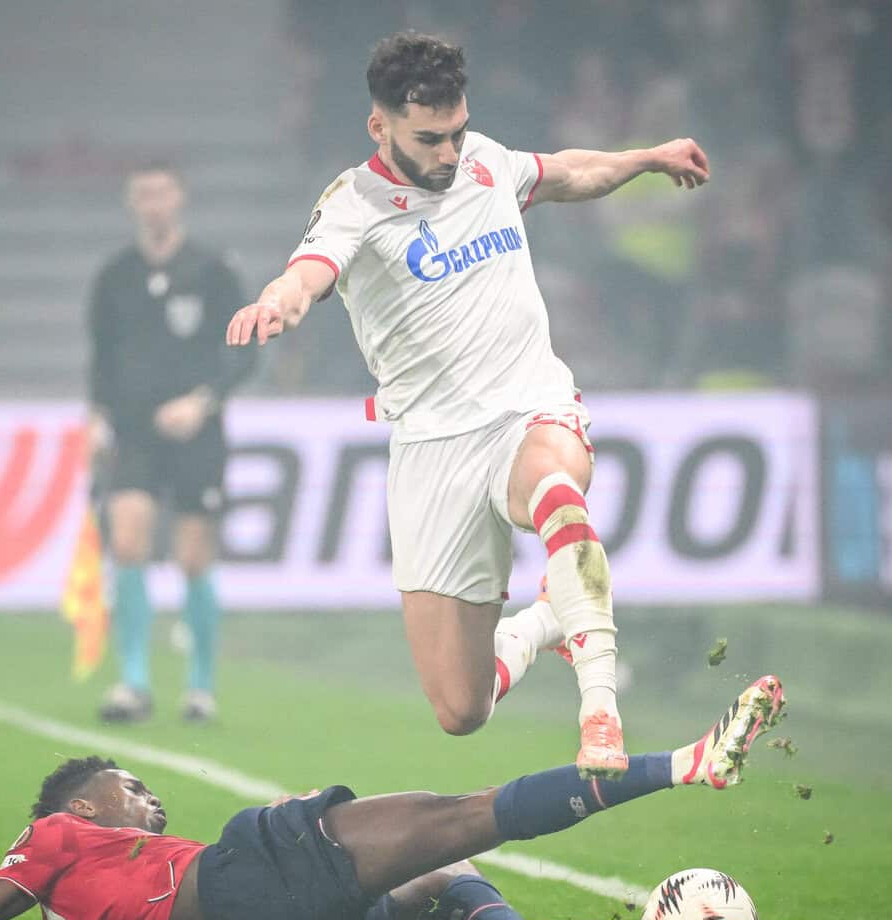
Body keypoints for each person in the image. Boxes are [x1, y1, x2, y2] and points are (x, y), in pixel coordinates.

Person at [225, 33, 711, 778]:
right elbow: (307, 273)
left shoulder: (485, 161)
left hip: (529, 407)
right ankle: (547, 619)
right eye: (430, 139)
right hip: (432, 448)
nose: (449, 152)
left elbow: (569, 172)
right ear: (380, 127)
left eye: (456, 131)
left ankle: (601, 709)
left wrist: (646, 158)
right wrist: (275, 303)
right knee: (461, 708)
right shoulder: (354, 203)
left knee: (554, 483)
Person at [0, 676, 784, 920]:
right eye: (128, 787)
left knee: (439, 879)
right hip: (256, 873)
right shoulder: (53, 838)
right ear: (78, 808)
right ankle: (684, 763)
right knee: (466, 817)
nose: (147, 802)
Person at [88, 160, 256, 724]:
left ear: (179, 198)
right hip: (133, 430)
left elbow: (246, 351)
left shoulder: (212, 269)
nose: (153, 203)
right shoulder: (115, 275)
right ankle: (133, 683)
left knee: (192, 557)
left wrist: (202, 402)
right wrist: (96, 417)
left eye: (162, 192)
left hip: (197, 434)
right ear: (131, 202)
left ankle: (200, 687)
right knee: (127, 542)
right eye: (143, 193)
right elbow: (101, 357)